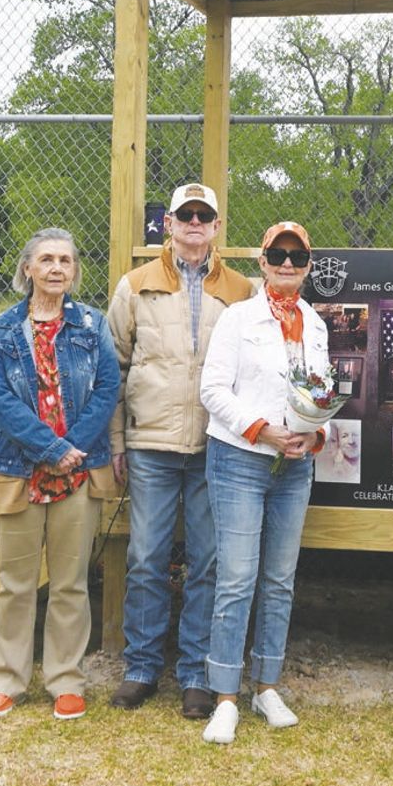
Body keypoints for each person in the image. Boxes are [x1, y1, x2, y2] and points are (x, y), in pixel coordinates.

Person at [106, 182, 253, 719]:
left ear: (217, 227)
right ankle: (141, 666)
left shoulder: (241, 290)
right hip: (151, 444)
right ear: (167, 224)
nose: (194, 224)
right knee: (146, 558)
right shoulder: (135, 285)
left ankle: (195, 672)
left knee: (208, 562)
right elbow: (114, 369)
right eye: (184, 215)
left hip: (218, 446)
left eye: (204, 216)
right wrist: (117, 440)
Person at [0, 228, 120, 720]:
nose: (57, 267)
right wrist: (49, 447)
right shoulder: (1, 330)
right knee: (15, 583)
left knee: (70, 582)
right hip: (19, 469)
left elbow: (107, 389)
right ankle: (7, 681)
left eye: (66, 259)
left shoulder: (92, 325)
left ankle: (65, 680)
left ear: (74, 270)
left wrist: (72, 449)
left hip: (77, 472)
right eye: (46, 259)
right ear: (28, 269)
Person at [198, 221, 331, 744]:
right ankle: (225, 696)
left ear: (309, 266)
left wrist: (314, 435)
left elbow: (322, 396)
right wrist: (263, 431)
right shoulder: (238, 318)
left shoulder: (315, 324)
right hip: (239, 461)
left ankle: (266, 685)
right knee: (235, 579)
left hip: (295, 467)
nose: (288, 264)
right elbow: (213, 390)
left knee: (279, 580)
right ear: (262, 260)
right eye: (279, 254)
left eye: (297, 257)